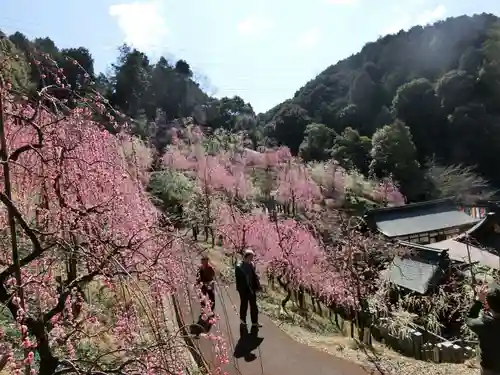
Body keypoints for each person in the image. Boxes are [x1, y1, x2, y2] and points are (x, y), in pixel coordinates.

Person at [466, 281, 500, 375]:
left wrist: (479, 300)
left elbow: (470, 318)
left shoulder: (483, 325)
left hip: (490, 370)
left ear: (488, 304)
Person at [235, 249, 262, 327]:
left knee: (254, 306)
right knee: (244, 305)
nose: (252, 259)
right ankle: (242, 320)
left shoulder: (252, 265)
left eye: (252, 257)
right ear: (246, 257)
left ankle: (254, 322)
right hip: (244, 289)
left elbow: (254, 276)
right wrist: (242, 288)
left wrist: (257, 284)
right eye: (250, 257)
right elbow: (239, 280)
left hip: (251, 288)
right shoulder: (239, 267)